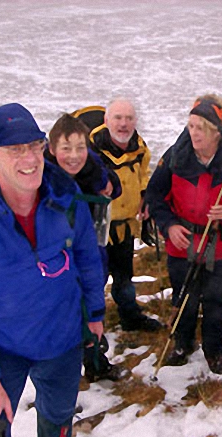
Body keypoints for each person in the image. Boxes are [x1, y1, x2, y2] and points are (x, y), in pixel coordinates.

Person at [0, 103, 106, 437]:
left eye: (35, 146)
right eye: (16, 149)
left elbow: (88, 257)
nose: (30, 159)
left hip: (62, 341)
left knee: (59, 417)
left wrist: (95, 312)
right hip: (1, 347)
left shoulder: (64, 194)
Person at [146, 95, 222, 374]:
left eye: (201, 128)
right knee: (184, 295)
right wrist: (169, 226)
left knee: (215, 300)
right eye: (191, 126)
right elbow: (154, 194)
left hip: (221, 245)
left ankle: (214, 348)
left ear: (215, 131)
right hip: (182, 242)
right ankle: (182, 343)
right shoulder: (176, 156)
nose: (194, 133)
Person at [46, 113, 125, 382]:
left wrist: (109, 184)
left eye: (80, 148)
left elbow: (115, 187)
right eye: (66, 148)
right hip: (55, 259)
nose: (74, 156)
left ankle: (94, 361)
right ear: (52, 148)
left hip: (91, 252)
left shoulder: (92, 167)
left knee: (91, 305)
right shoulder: (41, 176)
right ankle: (63, 366)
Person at [90, 98, 161, 332]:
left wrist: (145, 196)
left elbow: (143, 175)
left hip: (126, 226)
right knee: (94, 280)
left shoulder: (139, 148)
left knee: (124, 277)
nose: (123, 124)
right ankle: (90, 327)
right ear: (106, 120)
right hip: (97, 228)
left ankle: (129, 317)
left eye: (129, 118)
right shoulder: (90, 150)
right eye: (118, 118)